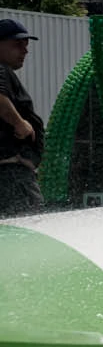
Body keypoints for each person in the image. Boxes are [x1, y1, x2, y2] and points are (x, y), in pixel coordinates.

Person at [0, 18, 44, 218]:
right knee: (29, 228)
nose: (25, 51)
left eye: (26, 45)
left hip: (12, 172)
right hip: (11, 174)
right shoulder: (1, 69)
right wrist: (20, 123)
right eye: (17, 44)